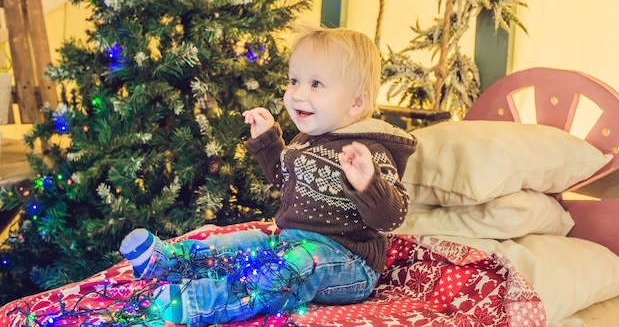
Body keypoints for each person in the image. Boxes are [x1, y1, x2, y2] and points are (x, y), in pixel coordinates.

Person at [118, 24, 417, 326]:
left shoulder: (369, 150)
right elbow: (285, 181)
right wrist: (269, 142)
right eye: (294, 80)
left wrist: (369, 185)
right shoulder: (305, 142)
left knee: (293, 266)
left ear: (357, 103)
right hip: (290, 240)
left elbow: (391, 218)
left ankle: (203, 303)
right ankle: (169, 262)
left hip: (347, 262)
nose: (298, 93)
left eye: (316, 84)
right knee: (242, 243)